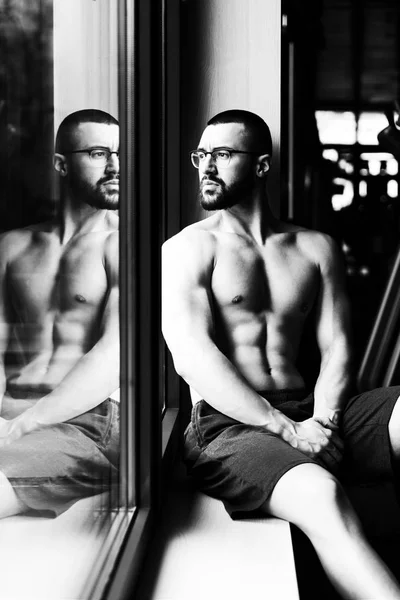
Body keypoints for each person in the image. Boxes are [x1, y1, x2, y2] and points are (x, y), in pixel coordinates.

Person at [162, 109, 400, 599]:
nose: (206, 166)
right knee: (320, 492)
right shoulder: (188, 248)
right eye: (201, 155)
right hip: (229, 427)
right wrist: (289, 430)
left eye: (222, 154)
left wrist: (325, 421)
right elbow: (192, 357)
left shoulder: (315, 246)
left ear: (262, 165)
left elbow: (337, 346)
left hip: (313, 411)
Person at [0, 109, 120, 518]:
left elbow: (113, 356)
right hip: (12, 411)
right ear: (61, 163)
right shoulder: (12, 247)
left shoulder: (124, 247)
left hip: (87, 420)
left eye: (121, 154)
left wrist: (27, 422)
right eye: (100, 153)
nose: (115, 166)